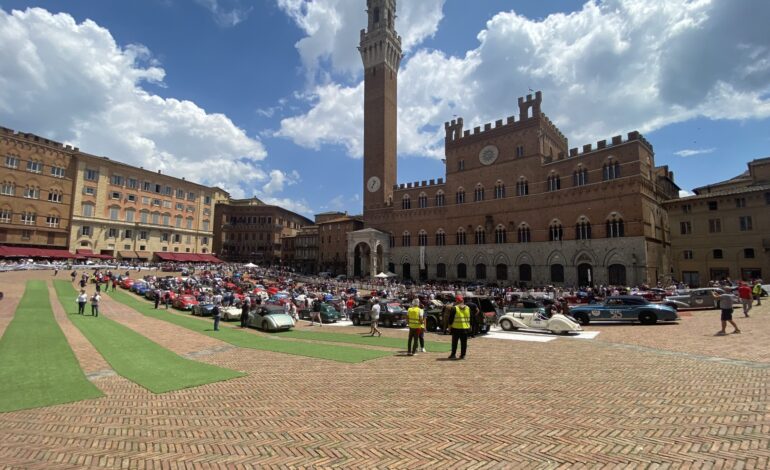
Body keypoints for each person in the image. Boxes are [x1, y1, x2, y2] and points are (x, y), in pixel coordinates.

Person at [446, 295, 470, 360]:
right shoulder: (468, 308)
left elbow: (451, 319)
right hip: (465, 328)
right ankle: (463, 355)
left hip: (456, 328)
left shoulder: (454, 308)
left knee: (454, 342)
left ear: (457, 301)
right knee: (464, 343)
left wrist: (449, 327)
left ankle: (453, 355)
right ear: (462, 301)